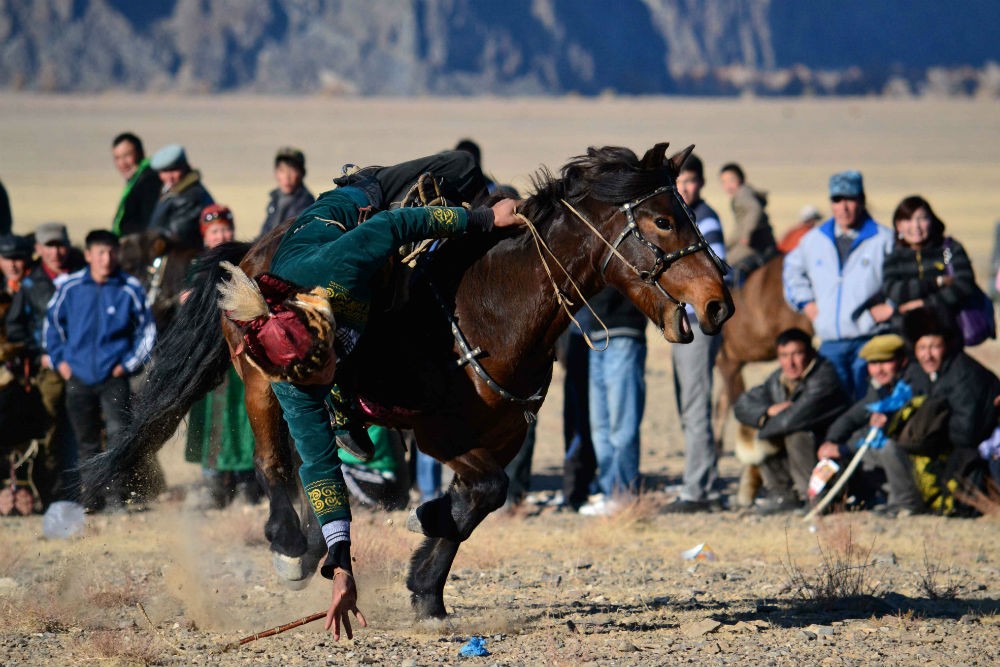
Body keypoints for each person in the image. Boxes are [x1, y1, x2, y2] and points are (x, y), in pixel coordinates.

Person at [218, 150, 522, 638]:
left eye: (330, 368)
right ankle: (344, 413)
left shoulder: (342, 262)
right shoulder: (293, 386)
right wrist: (340, 567)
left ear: (327, 331)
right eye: (319, 380)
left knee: (464, 165)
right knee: (341, 394)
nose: (326, 375)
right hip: (346, 306)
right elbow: (318, 469)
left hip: (366, 200)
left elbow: (398, 224)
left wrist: (484, 217)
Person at [45, 230, 156, 510]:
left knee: (119, 437)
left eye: (111, 252)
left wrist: (127, 365)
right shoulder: (69, 288)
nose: (106, 259)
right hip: (78, 376)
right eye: (100, 253)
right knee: (86, 440)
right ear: (88, 255)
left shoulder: (129, 287)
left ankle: (118, 497)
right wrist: (61, 362)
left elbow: (146, 332)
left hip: (113, 376)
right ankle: (91, 499)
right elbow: (52, 327)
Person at [783, 170, 895, 400]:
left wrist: (890, 307)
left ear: (862, 201)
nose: (843, 207)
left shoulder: (884, 240)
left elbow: (904, 278)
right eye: (837, 200)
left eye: (850, 199)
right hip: (830, 343)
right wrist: (806, 302)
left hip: (869, 341)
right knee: (832, 405)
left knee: (869, 404)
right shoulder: (814, 240)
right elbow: (791, 270)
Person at [184, 205, 260, 508]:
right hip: (209, 356)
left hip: (240, 354)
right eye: (215, 231)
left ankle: (247, 485)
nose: (222, 235)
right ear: (205, 236)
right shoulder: (197, 269)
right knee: (212, 416)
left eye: (226, 229)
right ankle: (214, 482)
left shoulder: (244, 262)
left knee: (243, 417)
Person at [664, 154, 727, 513]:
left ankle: (698, 490)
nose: (685, 188)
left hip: (698, 324)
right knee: (687, 405)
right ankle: (702, 480)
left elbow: (718, 273)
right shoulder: (683, 218)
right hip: (681, 322)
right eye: (680, 183)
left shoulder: (705, 220)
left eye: (690, 182)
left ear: (701, 183)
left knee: (695, 404)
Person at [5, 223, 84, 505]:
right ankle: (52, 492)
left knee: (85, 428)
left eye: (60, 244)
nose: (55, 252)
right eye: (48, 246)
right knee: (49, 429)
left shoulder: (86, 275)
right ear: (38, 250)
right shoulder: (31, 284)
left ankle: (92, 491)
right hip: (48, 370)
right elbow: (15, 328)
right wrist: (39, 354)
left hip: (87, 367)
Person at [733, 328, 849, 513]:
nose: (790, 362)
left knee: (794, 434)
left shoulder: (825, 378)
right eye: (784, 355)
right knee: (762, 429)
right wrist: (767, 411)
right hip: (797, 455)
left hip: (831, 455)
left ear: (811, 353)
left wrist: (762, 427)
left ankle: (815, 498)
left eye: (797, 354)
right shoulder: (777, 379)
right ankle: (782, 495)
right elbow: (742, 404)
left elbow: (792, 420)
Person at [899, 309, 999, 514]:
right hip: (947, 444)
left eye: (934, 346)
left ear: (946, 346)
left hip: (979, 445)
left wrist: (931, 436)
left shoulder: (964, 375)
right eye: (922, 348)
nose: (928, 355)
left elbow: (967, 432)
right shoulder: (917, 373)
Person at [817, 334, 914, 514]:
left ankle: (906, 503)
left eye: (886, 362)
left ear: (902, 361)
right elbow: (850, 418)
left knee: (886, 446)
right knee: (852, 439)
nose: (879, 370)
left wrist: (844, 449)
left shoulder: (912, 387)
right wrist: (831, 441)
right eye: (874, 363)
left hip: (914, 454)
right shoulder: (878, 388)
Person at [578, 287, 647, 516]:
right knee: (600, 427)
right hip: (596, 336)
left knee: (622, 423)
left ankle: (624, 495)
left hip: (624, 332)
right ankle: (610, 492)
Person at [881, 195, 977, 334]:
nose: (916, 226)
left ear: (931, 220)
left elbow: (963, 284)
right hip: (905, 333)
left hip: (947, 331)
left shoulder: (946, 251)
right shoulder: (895, 257)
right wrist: (936, 282)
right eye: (908, 219)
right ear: (898, 225)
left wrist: (925, 304)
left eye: (922, 218)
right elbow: (893, 290)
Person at [148, 144, 214, 250]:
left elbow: (176, 235)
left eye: (174, 170)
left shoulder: (192, 196)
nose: (169, 177)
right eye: (164, 171)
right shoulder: (172, 190)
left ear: (185, 167)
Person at [718, 162, 776, 282]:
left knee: (726, 265)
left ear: (741, 179)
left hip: (756, 247)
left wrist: (746, 234)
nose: (728, 186)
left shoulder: (742, 194)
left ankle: (737, 297)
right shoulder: (745, 193)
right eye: (724, 182)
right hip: (757, 245)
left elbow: (754, 209)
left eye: (731, 180)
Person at [111, 132, 162, 237]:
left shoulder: (150, 181)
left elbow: (150, 224)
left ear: (141, 153)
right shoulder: (137, 180)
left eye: (127, 156)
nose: (122, 163)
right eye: (117, 158)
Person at [259, 147, 315, 237]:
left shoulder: (306, 204)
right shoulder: (275, 200)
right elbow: (263, 235)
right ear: (276, 173)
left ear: (302, 173)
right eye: (282, 171)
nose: (287, 177)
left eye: (292, 170)